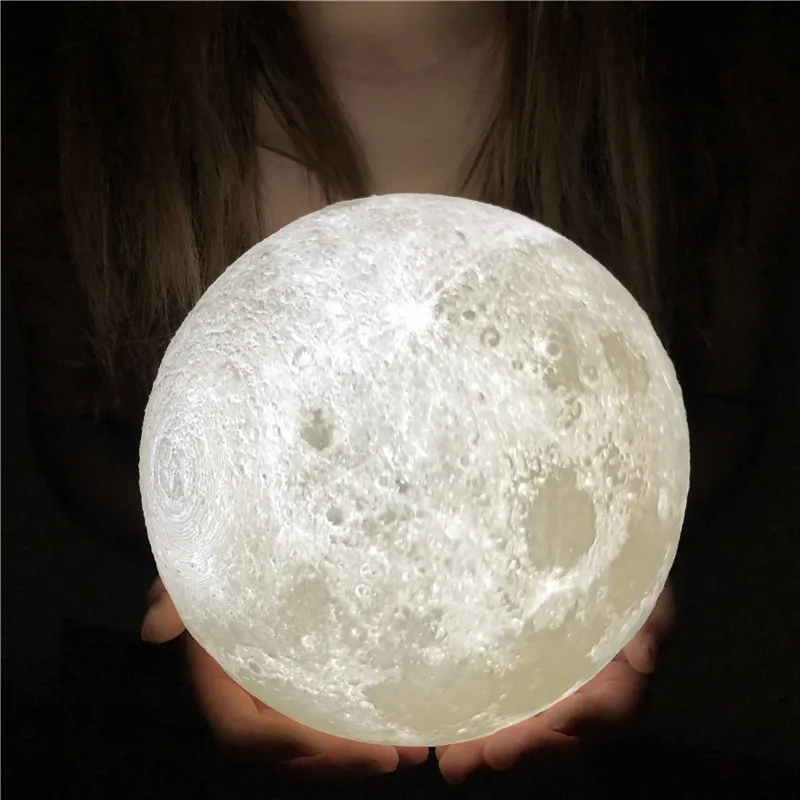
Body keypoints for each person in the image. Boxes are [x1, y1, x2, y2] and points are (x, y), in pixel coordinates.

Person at [8, 1, 793, 788]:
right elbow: (71, 420)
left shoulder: (720, 76)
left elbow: (727, 402)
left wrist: (609, 577)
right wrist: (216, 583)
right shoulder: (71, 90)